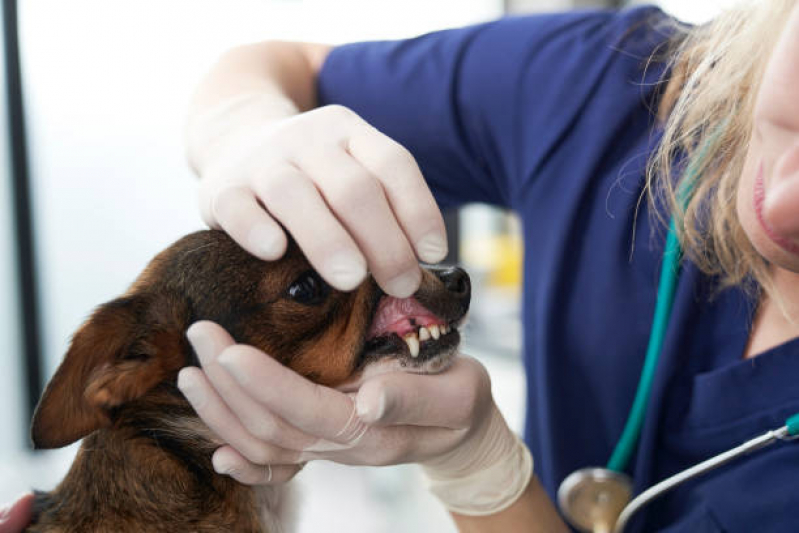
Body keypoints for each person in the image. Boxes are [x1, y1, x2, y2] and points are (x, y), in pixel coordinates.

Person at [5, 1, 799, 531]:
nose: (786, 203)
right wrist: (244, 127)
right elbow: (272, 68)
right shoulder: (608, 81)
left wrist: (478, 467)